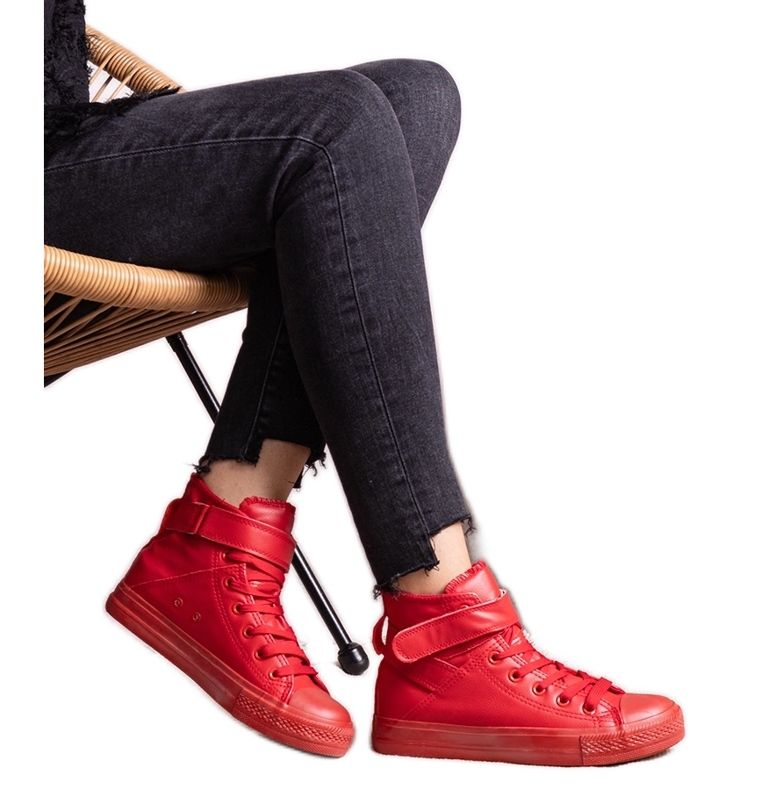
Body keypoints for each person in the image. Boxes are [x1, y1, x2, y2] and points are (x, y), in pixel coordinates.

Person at [44, 0, 685, 767]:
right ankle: (442, 631)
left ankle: (223, 535)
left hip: (65, 128)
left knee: (416, 96)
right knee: (332, 127)